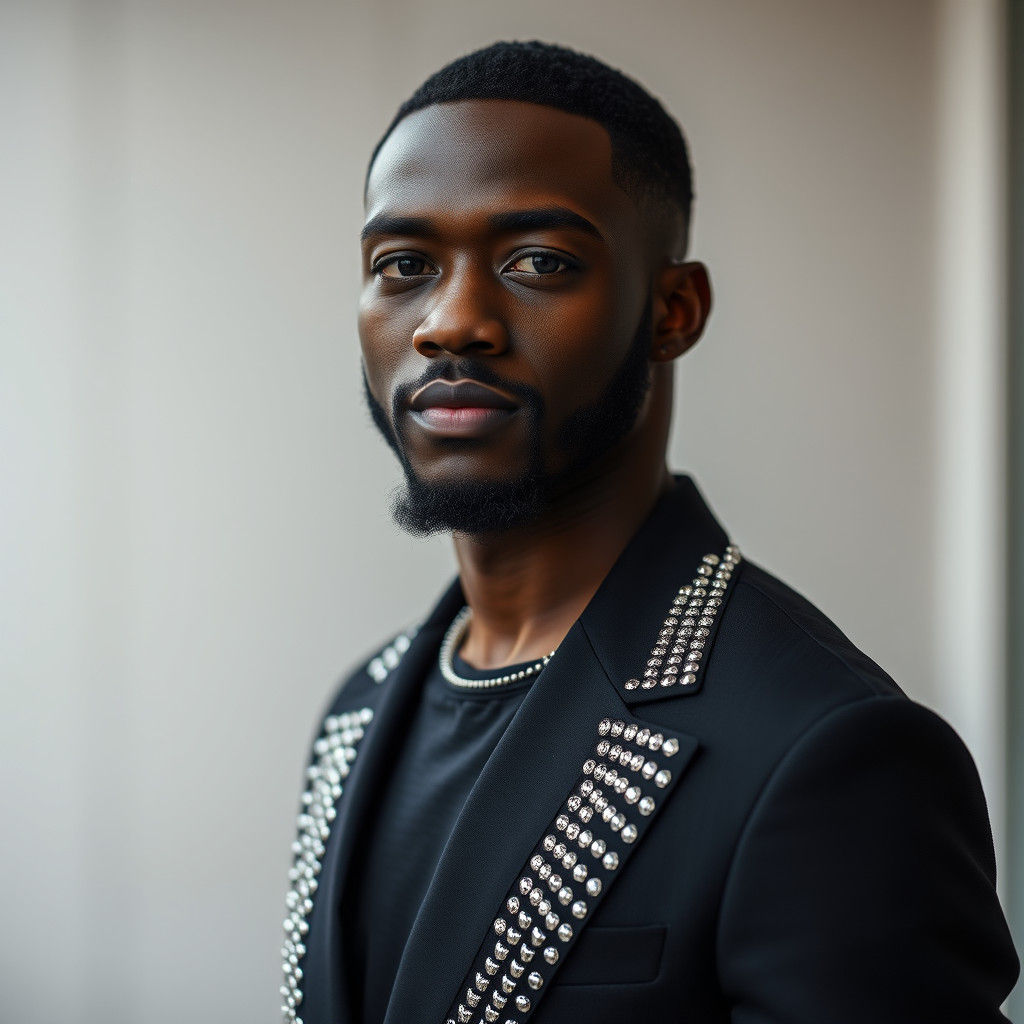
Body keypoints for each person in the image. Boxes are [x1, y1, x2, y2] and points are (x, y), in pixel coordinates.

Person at [280, 40, 1019, 1024]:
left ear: (673, 309)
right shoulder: (357, 711)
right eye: (402, 265)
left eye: (537, 261)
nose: (450, 321)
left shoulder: (830, 754)